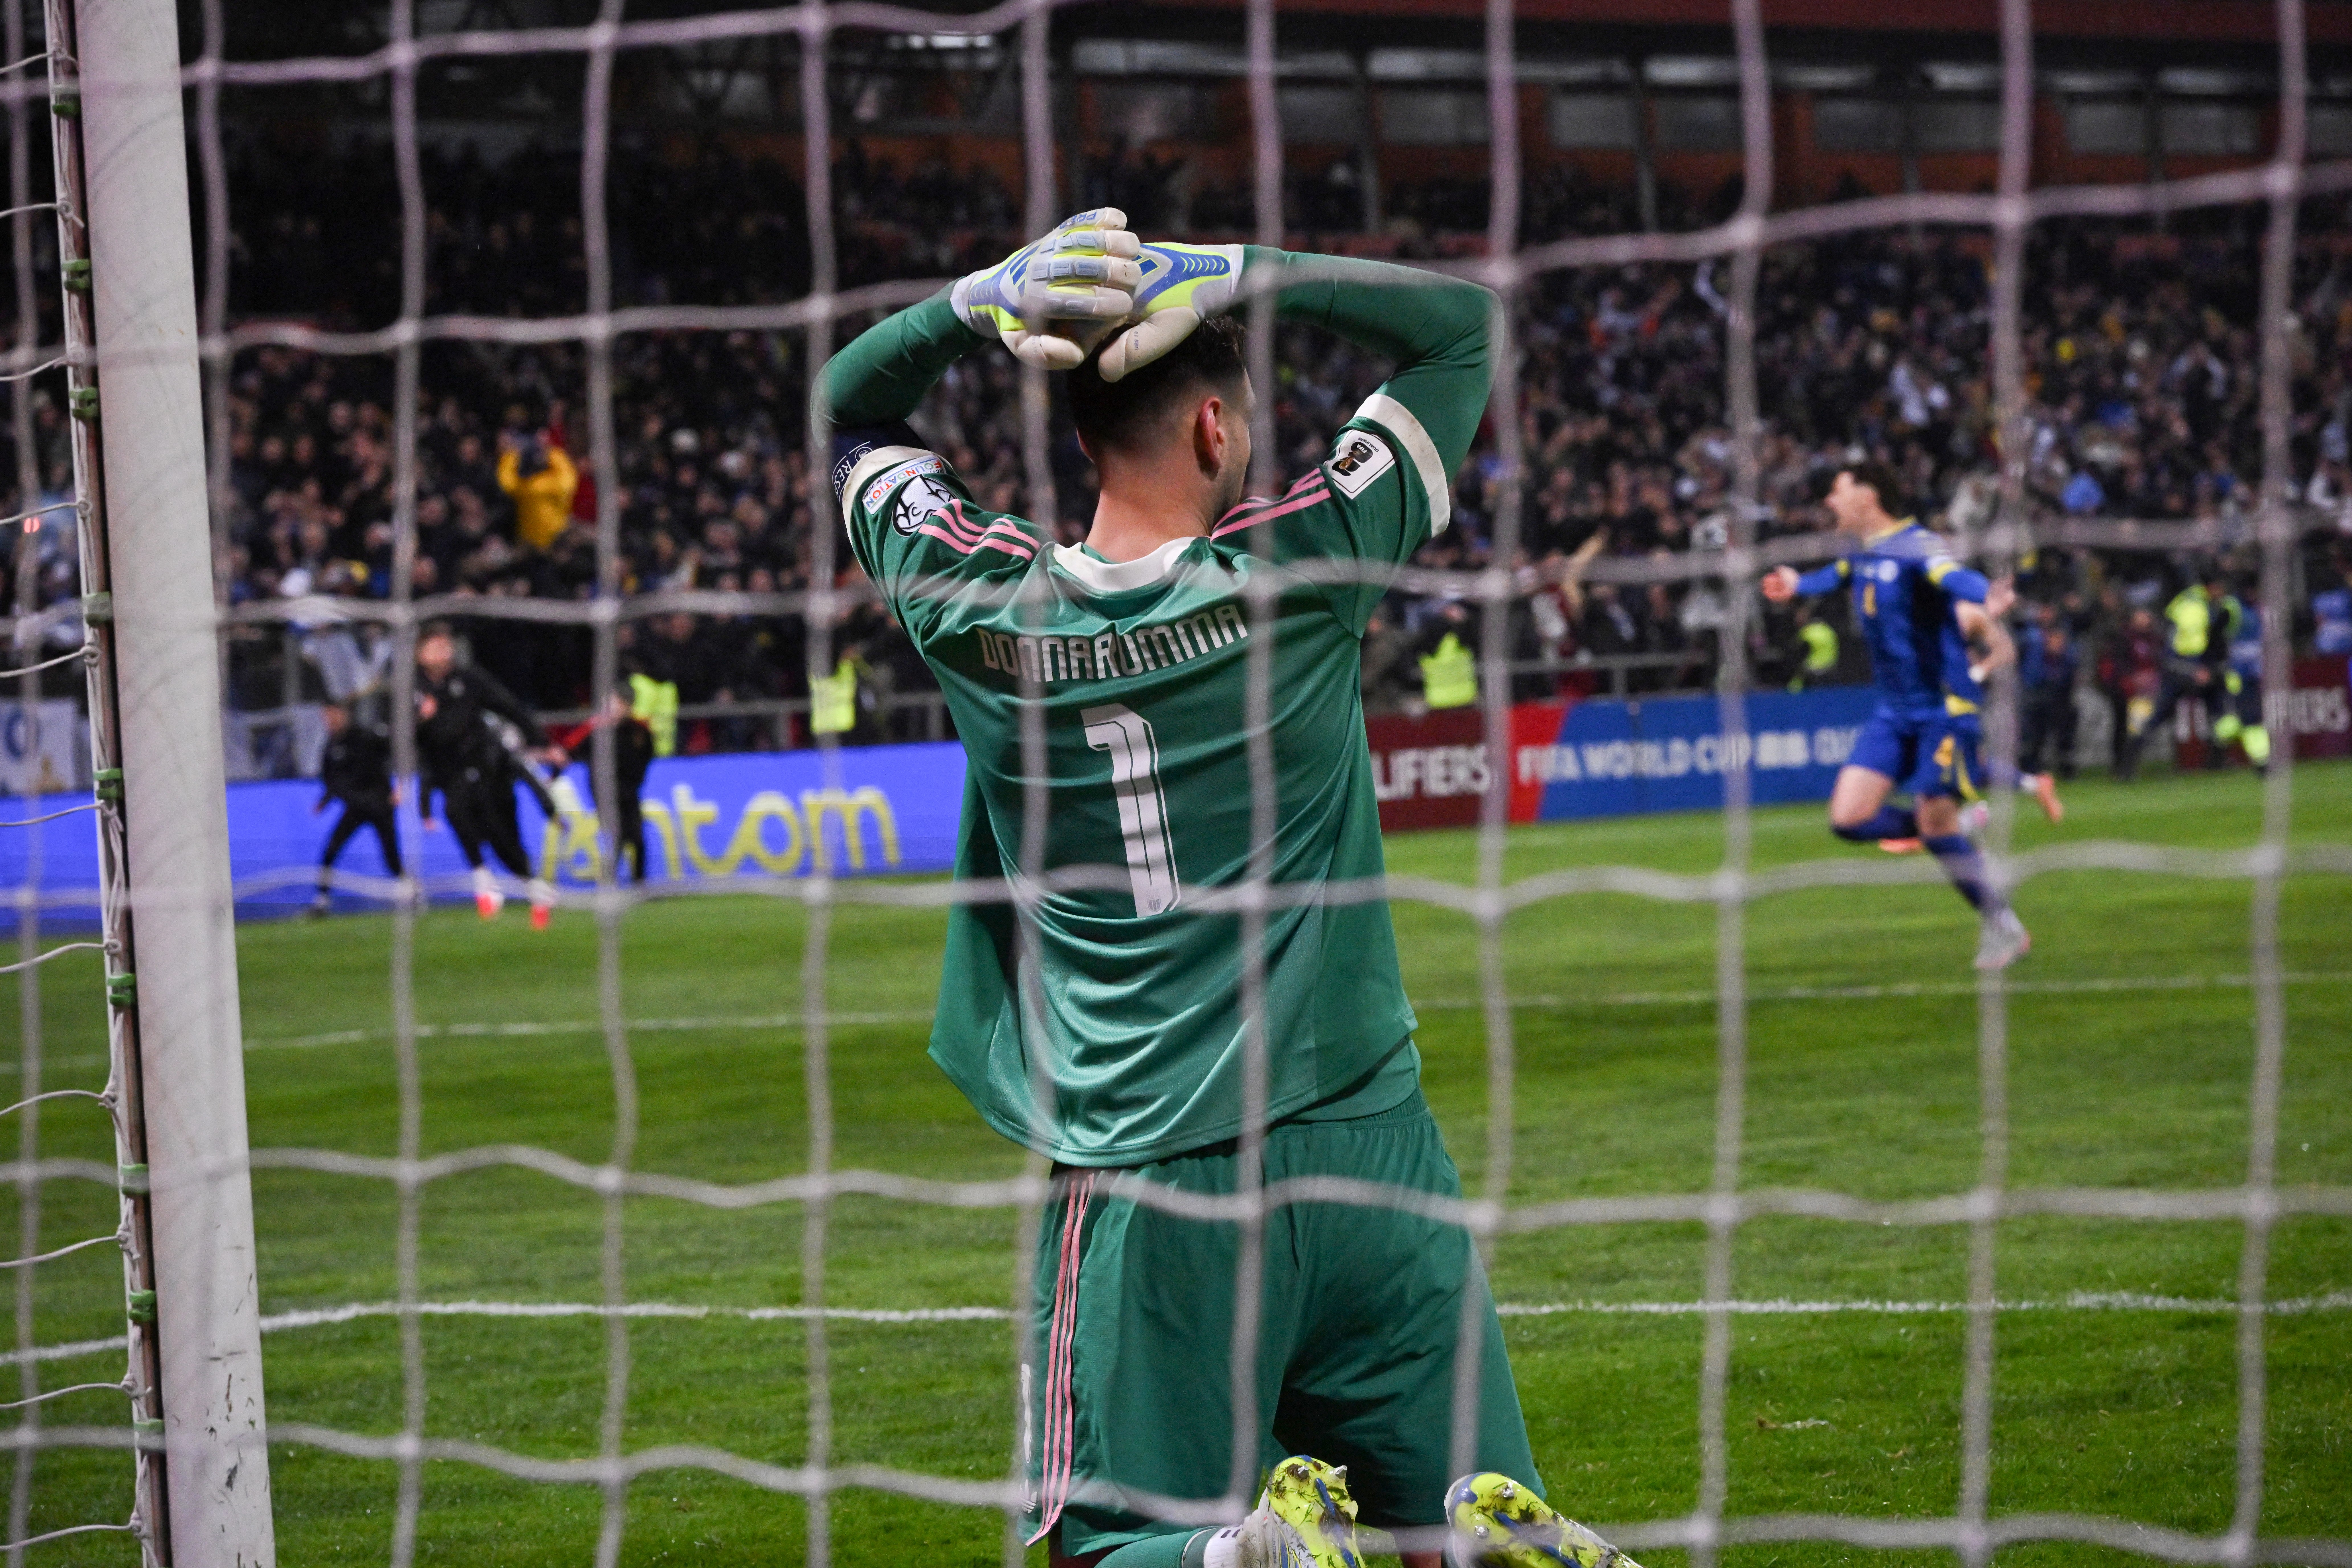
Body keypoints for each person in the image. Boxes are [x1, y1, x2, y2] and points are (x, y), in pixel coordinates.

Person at [824, 211, 1619, 1568]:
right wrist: (1244, 272)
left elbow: (842, 411)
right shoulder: (1302, 569)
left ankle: (1250, 1557)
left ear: (1083, 437)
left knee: (1110, 1546)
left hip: (1154, 1168)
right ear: (1213, 430)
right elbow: (1460, 330)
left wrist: (972, 304)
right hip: (1368, 1142)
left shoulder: (971, 598)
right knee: (1461, 1521)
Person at [1763, 463, 2034, 970]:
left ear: (1868, 496)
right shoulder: (1863, 552)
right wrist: (1798, 584)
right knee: (1848, 820)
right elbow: (1837, 575)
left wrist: (1984, 593)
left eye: (1838, 492)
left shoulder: (1916, 545)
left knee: (1934, 824)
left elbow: (1948, 574)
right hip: (1894, 712)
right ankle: (1955, 827)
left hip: (1943, 708)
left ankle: (2004, 926)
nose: (1830, 501)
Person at [413, 623, 560, 926]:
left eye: (447, 644)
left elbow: (510, 707)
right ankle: (484, 881)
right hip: (449, 773)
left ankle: (534, 887)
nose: (444, 651)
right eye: (436, 646)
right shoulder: (412, 691)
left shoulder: (470, 680)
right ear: (420, 653)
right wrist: (420, 721)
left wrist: (543, 743)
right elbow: (404, 739)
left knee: (502, 838)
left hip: (487, 768)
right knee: (455, 811)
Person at [2118, 561, 2235, 780]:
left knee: (2217, 711)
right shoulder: (2195, 608)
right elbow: (2187, 646)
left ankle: (2216, 760)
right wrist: (2197, 670)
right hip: (2182, 669)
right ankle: (2127, 766)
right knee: (2161, 717)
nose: (2222, 592)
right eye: (2220, 587)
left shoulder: (2196, 602)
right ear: (2212, 587)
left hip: (2189, 668)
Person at [311, 701, 400, 913]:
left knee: (391, 854)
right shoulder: (331, 746)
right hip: (356, 808)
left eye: (333, 715)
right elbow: (332, 780)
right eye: (326, 717)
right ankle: (322, 901)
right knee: (331, 850)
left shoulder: (364, 736)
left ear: (343, 714)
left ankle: (412, 893)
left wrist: (398, 786)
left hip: (380, 805)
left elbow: (390, 756)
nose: (330, 721)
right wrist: (324, 802)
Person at [573, 680, 656, 883]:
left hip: (629, 790)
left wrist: (637, 781)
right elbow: (571, 751)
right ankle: (611, 879)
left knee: (636, 837)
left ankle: (637, 881)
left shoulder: (640, 731)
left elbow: (647, 756)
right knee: (621, 833)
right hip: (605, 792)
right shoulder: (596, 729)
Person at [495, 429, 579, 553]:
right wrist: (552, 452)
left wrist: (512, 454)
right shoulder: (555, 483)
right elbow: (569, 477)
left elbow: (506, 481)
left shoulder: (524, 487)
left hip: (535, 541)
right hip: (555, 538)